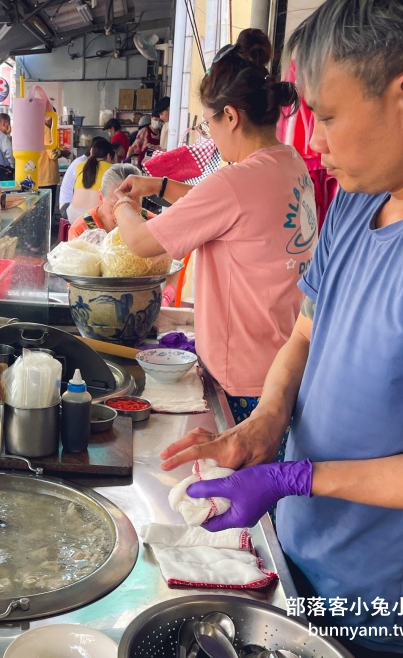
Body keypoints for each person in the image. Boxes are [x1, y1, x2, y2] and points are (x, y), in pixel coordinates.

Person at [158, 3, 403, 658]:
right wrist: (264, 424)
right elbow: (309, 327)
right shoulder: (363, 195)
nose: (315, 140)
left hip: (386, 601)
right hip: (309, 553)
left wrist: (298, 480)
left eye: (329, 115)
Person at [113, 29, 314, 429]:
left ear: (232, 117)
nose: (211, 133)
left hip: (244, 375)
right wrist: (159, 187)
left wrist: (117, 201)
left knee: (239, 482)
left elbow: (139, 242)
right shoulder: (288, 162)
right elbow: (227, 210)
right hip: (288, 360)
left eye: (208, 123)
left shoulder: (235, 182)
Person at [68, 164, 155, 239]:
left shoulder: (152, 224)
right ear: (101, 197)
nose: (124, 214)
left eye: (132, 206)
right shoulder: (82, 230)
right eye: (115, 205)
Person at [65, 139, 115, 223]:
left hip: (73, 216)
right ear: (109, 156)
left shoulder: (80, 166)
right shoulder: (112, 168)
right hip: (91, 219)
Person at [38, 110, 68, 207]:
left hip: (38, 176)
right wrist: (62, 152)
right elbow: (53, 154)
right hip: (47, 178)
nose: (55, 121)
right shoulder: (46, 130)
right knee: (48, 209)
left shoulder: (37, 129)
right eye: (54, 117)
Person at [128, 98, 170, 167]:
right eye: (156, 119)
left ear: (168, 110)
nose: (161, 117)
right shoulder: (144, 131)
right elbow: (133, 148)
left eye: (162, 114)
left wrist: (155, 148)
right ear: (151, 118)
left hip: (159, 162)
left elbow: (167, 148)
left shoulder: (166, 127)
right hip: (145, 162)